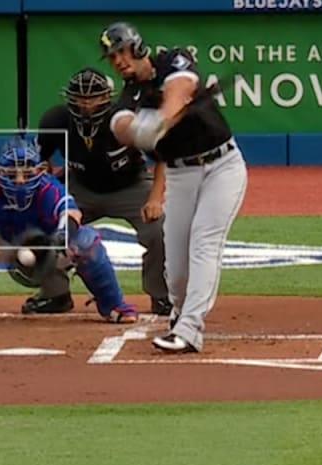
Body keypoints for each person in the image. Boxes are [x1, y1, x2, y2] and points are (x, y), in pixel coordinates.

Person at [101, 21, 248, 354]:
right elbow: (119, 125)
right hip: (181, 175)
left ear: (137, 47)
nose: (119, 61)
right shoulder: (128, 97)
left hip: (221, 167)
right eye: (112, 58)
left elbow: (179, 90)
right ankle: (180, 314)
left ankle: (190, 329)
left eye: (121, 52)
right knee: (176, 267)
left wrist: (161, 120)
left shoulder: (173, 60)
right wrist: (139, 130)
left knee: (204, 242)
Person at [0, 136, 138, 323]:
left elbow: (71, 214)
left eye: (26, 174)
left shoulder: (49, 188)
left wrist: (55, 241)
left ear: (38, 171)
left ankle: (113, 305)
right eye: (12, 174)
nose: (19, 181)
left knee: (86, 243)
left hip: (42, 247)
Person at [34, 66, 171, 317]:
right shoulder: (55, 120)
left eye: (94, 97)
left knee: (159, 228)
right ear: (69, 98)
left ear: (107, 97)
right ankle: (55, 294)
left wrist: (155, 198)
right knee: (42, 223)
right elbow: (37, 160)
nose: (87, 104)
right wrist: (44, 173)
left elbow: (163, 156)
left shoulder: (122, 121)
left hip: (130, 185)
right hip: (80, 187)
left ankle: (161, 295)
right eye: (81, 98)